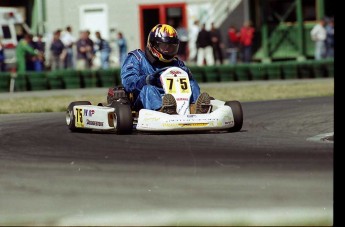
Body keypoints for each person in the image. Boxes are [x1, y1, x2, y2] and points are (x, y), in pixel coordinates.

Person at [120, 24, 210, 115]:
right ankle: (162, 110)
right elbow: (128, 83)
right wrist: (146, 79)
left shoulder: (177, 63)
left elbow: (188, 80)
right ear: (153, 44)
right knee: (148, 89)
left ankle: (195, 109)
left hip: (177, 98)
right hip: (144, 100)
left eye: (172, 47)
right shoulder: (137, 58)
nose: (169, 50)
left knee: (192, 84)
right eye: (165, 47)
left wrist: (188, 74)